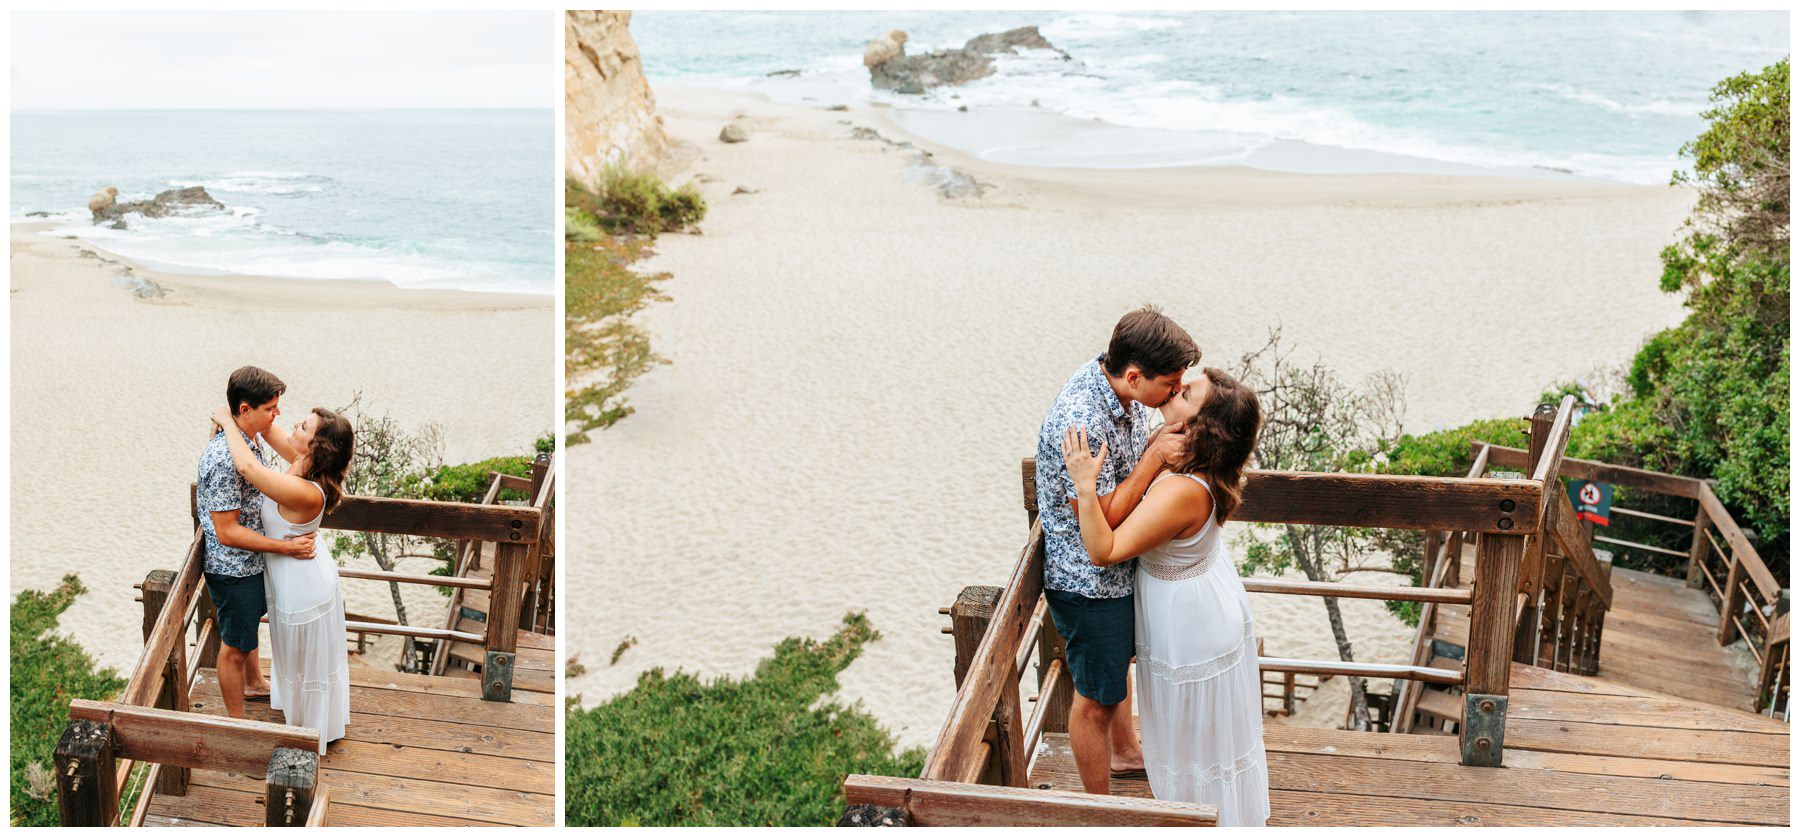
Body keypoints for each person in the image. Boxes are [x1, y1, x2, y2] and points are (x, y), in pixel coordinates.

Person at [1063, 367, 1270, 826]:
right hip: (1199, 599)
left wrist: (1083, 485)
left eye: (1185, 392)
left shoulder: (1182, 489)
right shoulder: (1197, 467)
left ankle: (1200, 823)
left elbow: (1104, 549)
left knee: (1194, 741)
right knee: (1201, 738)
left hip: (1190, 625)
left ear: (1202, 427)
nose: (1174, 389)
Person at [1033, 306, 1200, 795]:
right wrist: (1153, 458)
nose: (1175, 391)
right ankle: (1099, 810)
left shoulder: (1116, 390)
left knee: (1113, 677)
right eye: (1170, 383)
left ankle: (1126, 755)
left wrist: (1148, 447)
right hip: (1089, 582)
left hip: (1115, 570)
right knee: (1095, 699)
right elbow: (1101, 518)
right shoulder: (1080, 419)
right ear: (1133, 375)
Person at [210, 400, 356, 754]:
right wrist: (251, 410)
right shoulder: (302, 461)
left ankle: (311, 733)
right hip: (295, 573)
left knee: (306, 661)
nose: (294, 426)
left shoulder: (305, 490)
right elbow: (265, 428)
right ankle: (306, 720)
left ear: (317, 446)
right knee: (298, 658)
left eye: (303, 427)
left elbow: (246, 466)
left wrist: (228, 424)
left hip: (303, 586)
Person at [197, 367, 315, 721]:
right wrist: (288, 548)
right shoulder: (224, 459)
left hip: (249, 562)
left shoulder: (249, 439)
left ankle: (255, 683)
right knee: (234, 646)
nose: (277, 414)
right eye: (270, 408)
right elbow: (227, 532)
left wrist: (229, 421)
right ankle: (237, 723)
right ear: (246, 410)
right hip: (233, 568)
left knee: (247, 632)